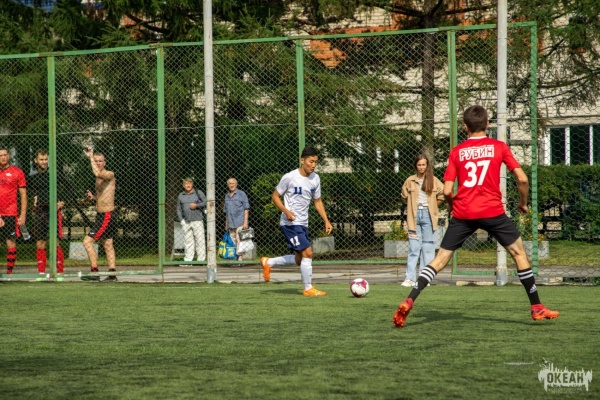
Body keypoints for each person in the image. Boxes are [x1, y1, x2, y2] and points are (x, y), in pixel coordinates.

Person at [393, 105, 560, 328]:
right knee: (519, 253)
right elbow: (522, 179)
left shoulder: (456, 152)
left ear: (465, 127)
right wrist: (522, 203)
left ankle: (410, 299)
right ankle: (536, 306)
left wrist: (453, 208)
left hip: (464, 213)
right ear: (487, 124)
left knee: (439, 260)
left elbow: (448, 190)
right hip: (492, 211)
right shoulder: (499, 147)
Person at [260, 147, 333, 296]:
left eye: (316, 162)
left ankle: (269, 262)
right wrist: (286, 211)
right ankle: (308, 288)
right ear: (302, 160)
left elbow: (317, 201)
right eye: (311, 161)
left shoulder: (315, 179)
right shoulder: (290, 177)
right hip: (290, 224)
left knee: (300, 259)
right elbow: (275, 197)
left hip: (303, 223)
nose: (313, 165)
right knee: (308, 252)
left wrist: (326, 220)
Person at [400, 154, 445, 287]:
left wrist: (433, 207)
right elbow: (404, 196)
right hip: (413, 217)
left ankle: (424, 279)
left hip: (428, 216)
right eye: (419, 165)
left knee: (428, 247)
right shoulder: (410, 180)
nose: (421, 167)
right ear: (416, 166)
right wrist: (412, 206)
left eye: (423, 165)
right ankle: (410, 278)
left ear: (427, 165)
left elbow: (442, 195)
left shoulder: (434, 180)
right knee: (414, 248)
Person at [28, 149, 66, 281]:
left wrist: (62, 201)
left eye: (46, 159)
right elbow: (27, 192)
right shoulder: (32, 176)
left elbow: (70, 187)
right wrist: (33, 198)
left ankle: (59, 273)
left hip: (53, 212)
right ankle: (41, 274)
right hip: (39, 212)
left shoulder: (54, 174)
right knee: (40, 242)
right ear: (36, 160)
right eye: (41, 159)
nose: (44, 162)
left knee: (55, 242)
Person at [81, 148, 117, 282]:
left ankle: (94, 272)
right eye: (96, 161)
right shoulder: (98, 179)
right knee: (108, 244)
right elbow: (103, 198)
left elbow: (97, 173)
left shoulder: (109, 174)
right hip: (102, 215)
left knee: (87, 241)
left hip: (107, 215)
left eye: (100, 161)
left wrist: (90, 157)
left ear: (104, 163)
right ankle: (112, 274)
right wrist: (93, 198)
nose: (97, 163)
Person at [0, 145, 27, 275]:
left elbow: (23, 195)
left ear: (9, 156)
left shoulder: (17, 172)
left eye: (5, 155)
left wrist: (23, 215)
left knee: (10, 242)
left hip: (11, 213)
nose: (3, 157)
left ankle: (9, 274)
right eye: (0, 155)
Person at [177, 177, 206, 263]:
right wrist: (181, 220)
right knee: (188, 241)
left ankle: (201, 260)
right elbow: (178, 209)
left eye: (189, 183)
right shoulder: (181, 195)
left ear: (192, 184)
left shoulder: (198, 192)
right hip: (186, 221)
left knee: (200, 241)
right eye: (186, 184)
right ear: (183, 185)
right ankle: (188, 260)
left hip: (197, 220)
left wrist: (196, 205)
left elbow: (206, 202)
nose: (188, 185)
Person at [223, 177, 250, 262]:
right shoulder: (226, 196)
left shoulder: (242, 194)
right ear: (228, 185)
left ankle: (240, 259)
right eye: (230, 184)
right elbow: (226, 211)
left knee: (239, 240)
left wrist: (245, 222)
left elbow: (246, 208)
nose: (231, 185)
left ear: (236, 184)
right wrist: (226, 224)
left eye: (233, 183)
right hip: (230, 223)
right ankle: (234, 257)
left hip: (240, 222)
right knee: (232, 241)